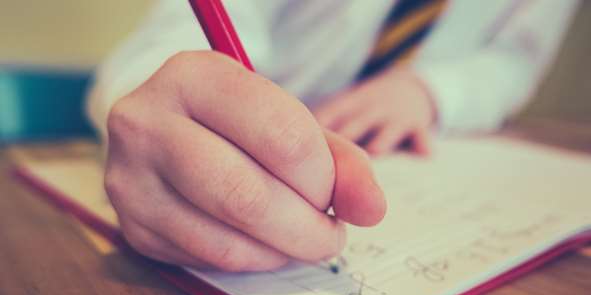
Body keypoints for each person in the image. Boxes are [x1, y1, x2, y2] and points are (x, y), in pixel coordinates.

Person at [87, 0, 578, 272]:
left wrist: (432, 92)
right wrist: (172, 105)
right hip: (249, 132)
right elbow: (194, 21)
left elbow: (516, 58)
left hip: (423, 146)